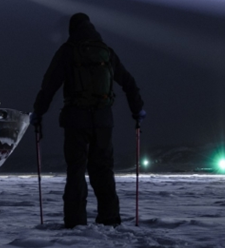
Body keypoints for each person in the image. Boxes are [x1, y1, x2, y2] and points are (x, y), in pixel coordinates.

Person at [31, 12, 145, 228]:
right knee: (103, 170)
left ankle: (75, 222)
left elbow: (49, 86)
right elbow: (128, 82)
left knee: (76, 171)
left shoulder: (67, 52)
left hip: (75, 120)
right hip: (103, 121)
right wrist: (137, 111)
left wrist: (38, 113)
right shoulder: (106, 52)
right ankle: (110, 219)